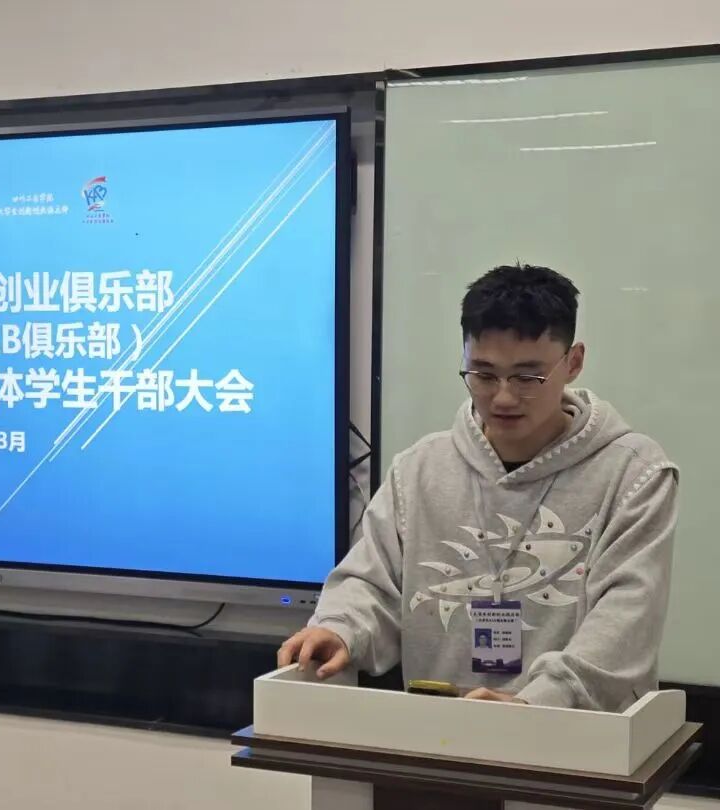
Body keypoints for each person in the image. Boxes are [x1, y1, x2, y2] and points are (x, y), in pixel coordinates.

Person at [279, 265, 678, 711]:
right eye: (483, 375)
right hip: (436, 733)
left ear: (573, 362)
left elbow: (625, 623)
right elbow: (372, 583)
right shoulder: (419, 470)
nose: (503, 398)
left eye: (527, 378)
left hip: (575, 740)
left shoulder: (633, 474)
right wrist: (340, 629)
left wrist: (536, 704)